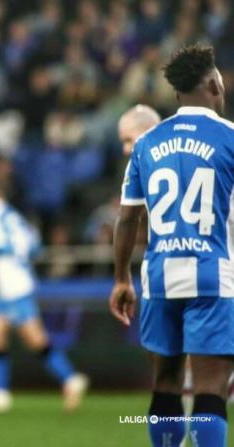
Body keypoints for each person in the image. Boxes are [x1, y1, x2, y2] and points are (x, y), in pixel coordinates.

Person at [111, 44, 233, 447]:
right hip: (213, 277)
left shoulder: (146, 144)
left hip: (160, 278)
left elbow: (127, 218)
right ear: (215, 84)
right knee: (211, 388)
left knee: (165, 384)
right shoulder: (229, 138)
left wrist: (121, 279)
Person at [0, 180, 88, 413]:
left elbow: (6, 245)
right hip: (7, 287)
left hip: (13, 286)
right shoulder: (9, 214)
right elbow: (34, 244)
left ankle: (71, 379)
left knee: (35, 340)